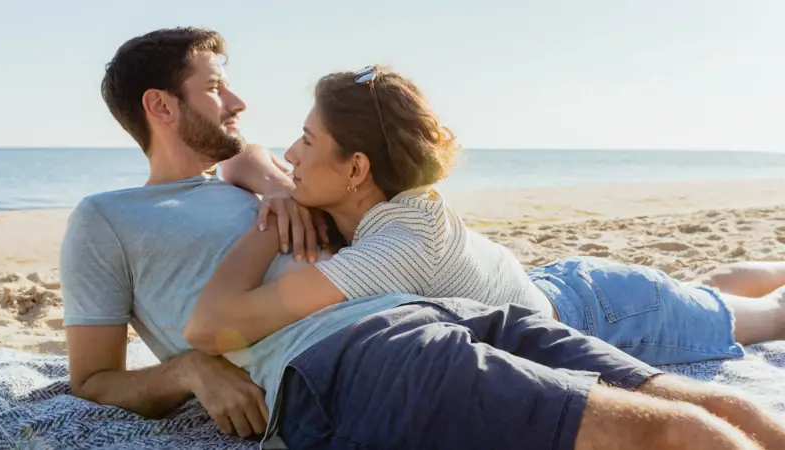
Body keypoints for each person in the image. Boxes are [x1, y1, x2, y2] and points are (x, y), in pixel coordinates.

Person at [62, 27, 784, 450]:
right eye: (217, 87)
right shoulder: (107, 216)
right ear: (160, 106)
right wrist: (190, 369)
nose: (242, 101)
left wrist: (275, 188)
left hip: (442, 311)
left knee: (721, 409)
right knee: (672, 437)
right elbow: (92, 380)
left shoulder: (263, 175)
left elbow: (260, 156)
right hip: (349, 357)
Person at [192, 65, 784, 368]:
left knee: (767, 317)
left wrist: (265, 229)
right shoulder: (363, 197)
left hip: (610, 317)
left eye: (306, 140)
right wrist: (281, 192)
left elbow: (208, 328)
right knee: (704, 288)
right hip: (563, 284)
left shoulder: (399, 245)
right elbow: (243, 155)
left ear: (356, 169)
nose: (291, 153)